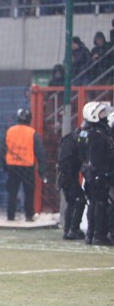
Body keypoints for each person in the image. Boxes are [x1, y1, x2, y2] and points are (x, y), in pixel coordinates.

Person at [2, 108, 48, 221]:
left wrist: (5, 165)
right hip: (27, 166)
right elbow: (40, 151)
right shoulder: (32, 133)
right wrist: (42, 169)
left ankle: (10, 216)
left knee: (12, 193)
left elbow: (3, 150)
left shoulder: (10, 131)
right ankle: (29, 215)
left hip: (12, 165)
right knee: (29, 193)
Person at [79, 101, 113, 245]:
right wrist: (101, 174)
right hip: (99, 174)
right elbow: (100, 157)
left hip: (90, 174)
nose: (104, 115)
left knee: (93, 203)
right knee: (100, 204)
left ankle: (91, 234)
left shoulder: (86, 132)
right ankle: (99, 235)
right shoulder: (98, 134)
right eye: (101, 113)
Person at [57, 121, 87, 240]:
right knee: (78, 200)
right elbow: (65, 161)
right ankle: (72, 229)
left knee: (73, 201)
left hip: (69, 174)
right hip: (68, 175)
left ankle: (69, 229)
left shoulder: (71, 139)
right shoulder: (72, 140)